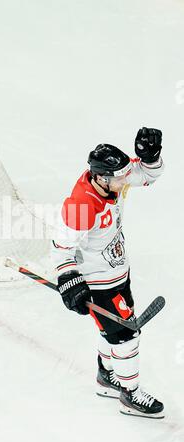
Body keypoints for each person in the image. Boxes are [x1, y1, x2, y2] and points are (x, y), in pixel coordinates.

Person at [52, 127, 164, 418]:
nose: (125, 180)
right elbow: (61, 247)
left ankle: (107, 376)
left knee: (110, 330)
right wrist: (68, 279)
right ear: (101, 177)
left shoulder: (112, 178)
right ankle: (130, 395)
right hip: (99, 283)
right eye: (119, 177)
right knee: (127, 337)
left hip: (119, 272)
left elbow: (147, 175)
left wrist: (151, 158)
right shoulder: (82, 204)